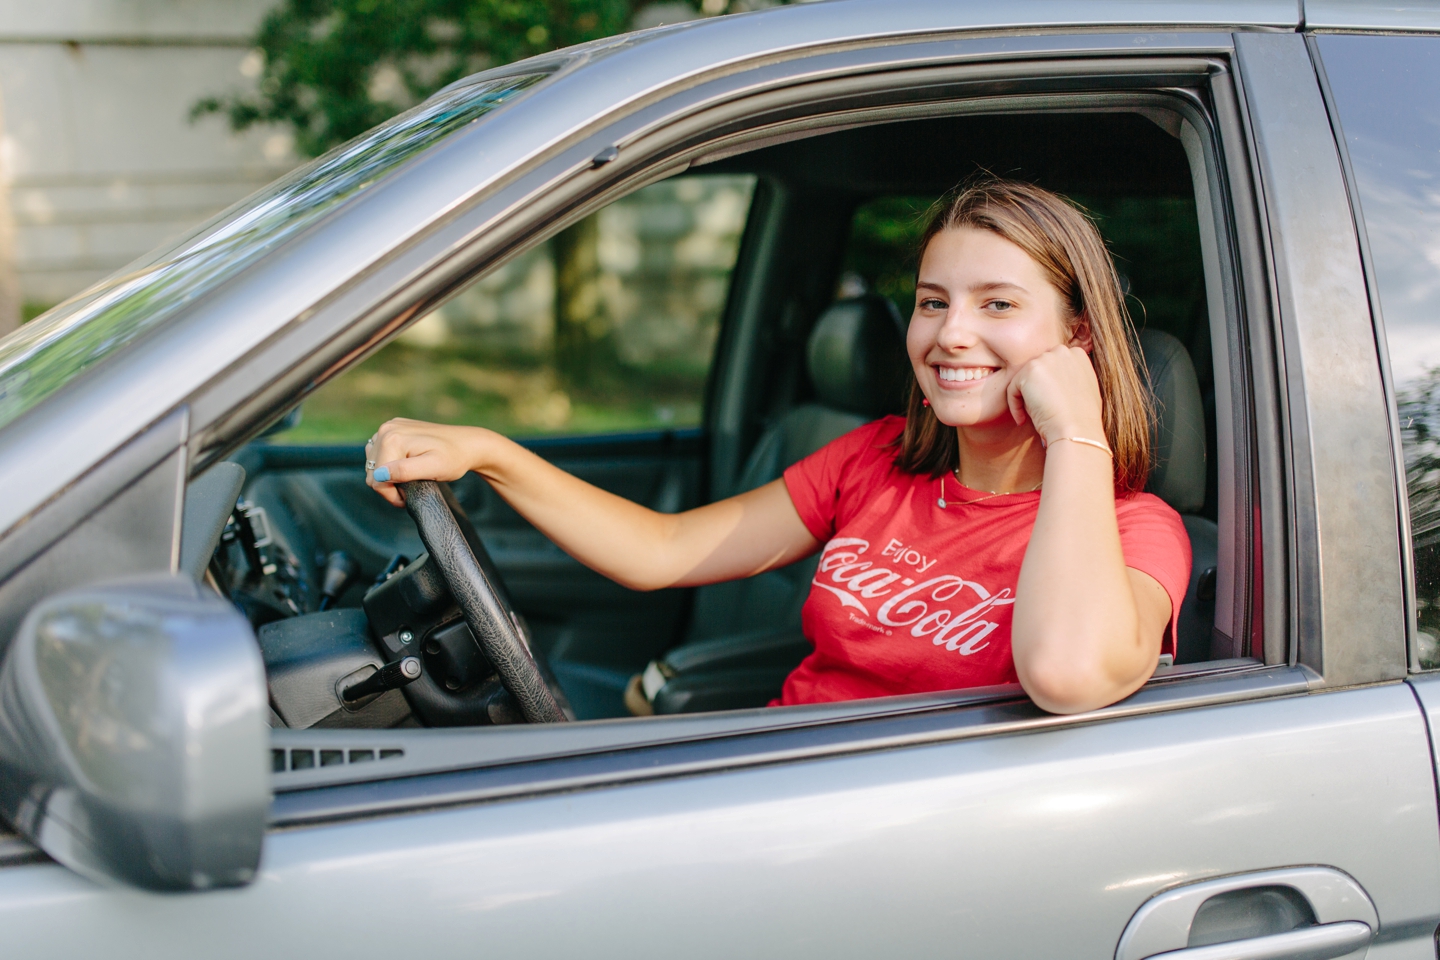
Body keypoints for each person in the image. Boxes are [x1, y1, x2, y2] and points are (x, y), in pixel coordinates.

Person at [364, 179, 1192, 715]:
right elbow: (664, 550)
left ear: (1076, 335)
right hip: (776, 792)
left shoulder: (1139, 531)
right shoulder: (876, 458)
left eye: (999, 305)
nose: (952, 335)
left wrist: (1076, 432)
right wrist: (491, 451)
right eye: (933, 302)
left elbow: (1069, 675)